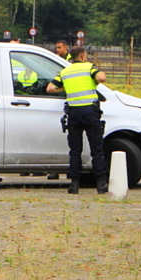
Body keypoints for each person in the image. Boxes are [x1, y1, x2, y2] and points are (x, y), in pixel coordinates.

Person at [47, 44, 108, 194]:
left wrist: (65, 88)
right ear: (82, 56)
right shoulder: (89, 67)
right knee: (97, 150)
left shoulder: (65, 71)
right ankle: (101, 184)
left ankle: (74, 185)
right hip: (90, 113)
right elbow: (102, 77)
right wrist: (95, 80)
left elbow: (50, 88)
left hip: (73, 114)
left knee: (75, 151)